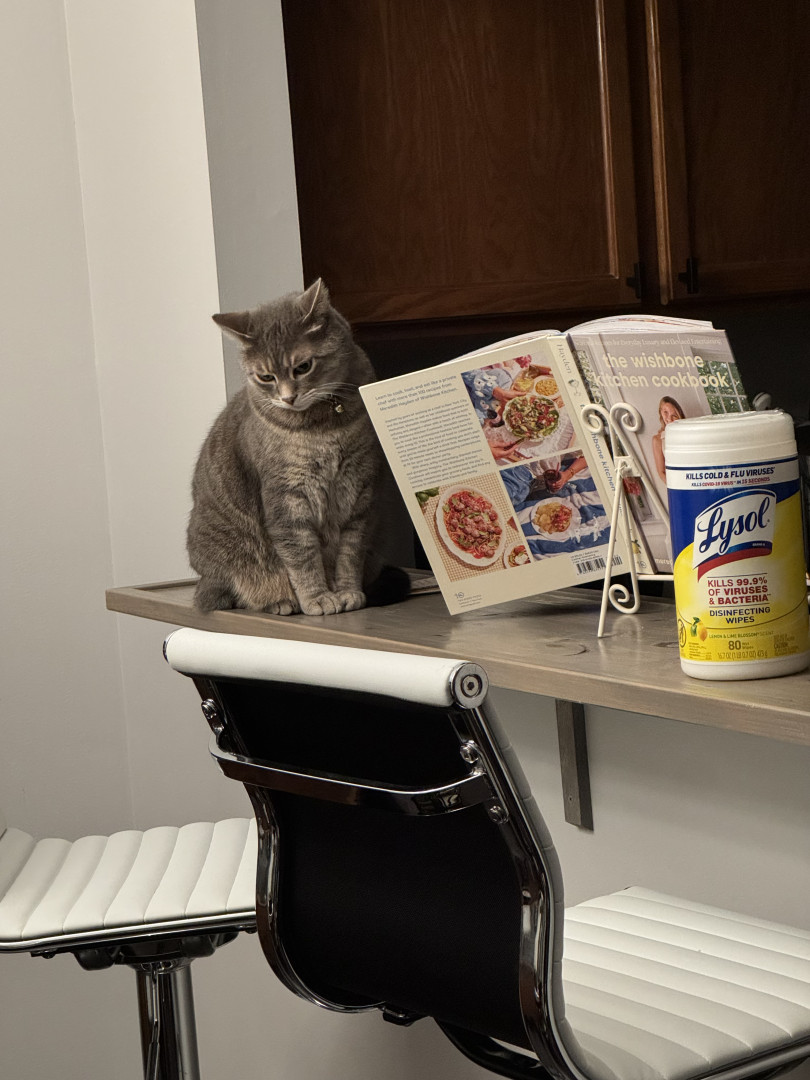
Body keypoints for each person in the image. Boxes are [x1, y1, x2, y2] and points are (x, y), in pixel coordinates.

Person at [651, 396, 685, 481]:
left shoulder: (687, 433)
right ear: (660, 412)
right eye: (665, 412)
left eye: (674, 415)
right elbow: (661, 472)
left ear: (679, 416)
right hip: (676, 483)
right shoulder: (658, 440)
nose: (669, 418)